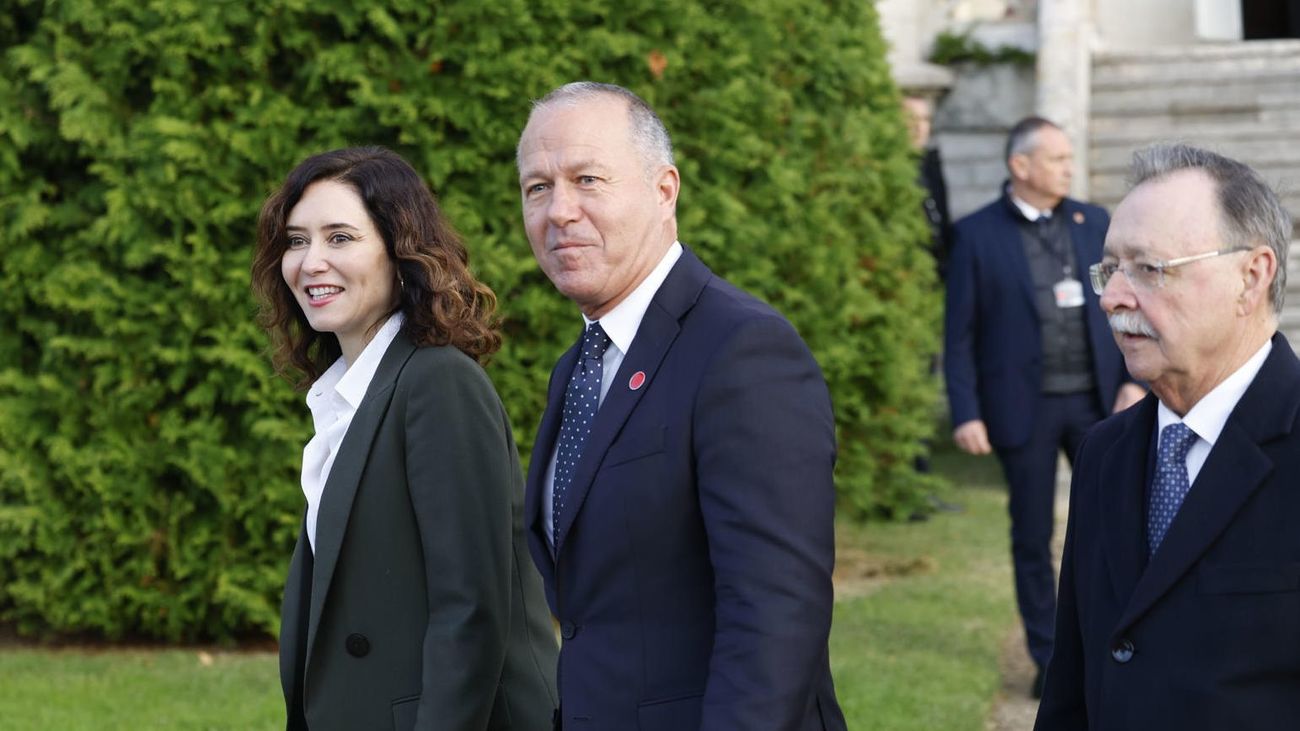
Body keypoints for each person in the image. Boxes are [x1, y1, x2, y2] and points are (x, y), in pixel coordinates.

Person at [515, 82, 847, 731]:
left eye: (587, 179)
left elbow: (776, 615)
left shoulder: (743, 350)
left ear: (664, 190)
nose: (560, 210)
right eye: (537, 187)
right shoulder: (580, 367)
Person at [251, 146, 558, 731]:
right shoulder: (349, 395)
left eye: (340, 237)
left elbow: (470, 612)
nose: (311, 261)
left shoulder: (437, 382)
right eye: (296, 240)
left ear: (402, 250)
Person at [1035, 144, 1299, 729]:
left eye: (1149, 270)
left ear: (1251, 277)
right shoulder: (1105, 453)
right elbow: (1073, 685)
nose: (1112, 298)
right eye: (1110, 269)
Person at [943, 116, 1145, 696]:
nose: (1067, 167)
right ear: (1020, 166)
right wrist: (966, 411)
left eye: (1068, 157)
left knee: (1115, 522)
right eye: (1055, 158)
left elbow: (1125, 305)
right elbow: (959, 331)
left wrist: (1135, 381)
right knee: (1032, 535)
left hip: (1096, 399)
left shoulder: (1094, 222)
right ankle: (1051, 660)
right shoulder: (977, 235)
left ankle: (1120, 647)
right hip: (1021, 408)